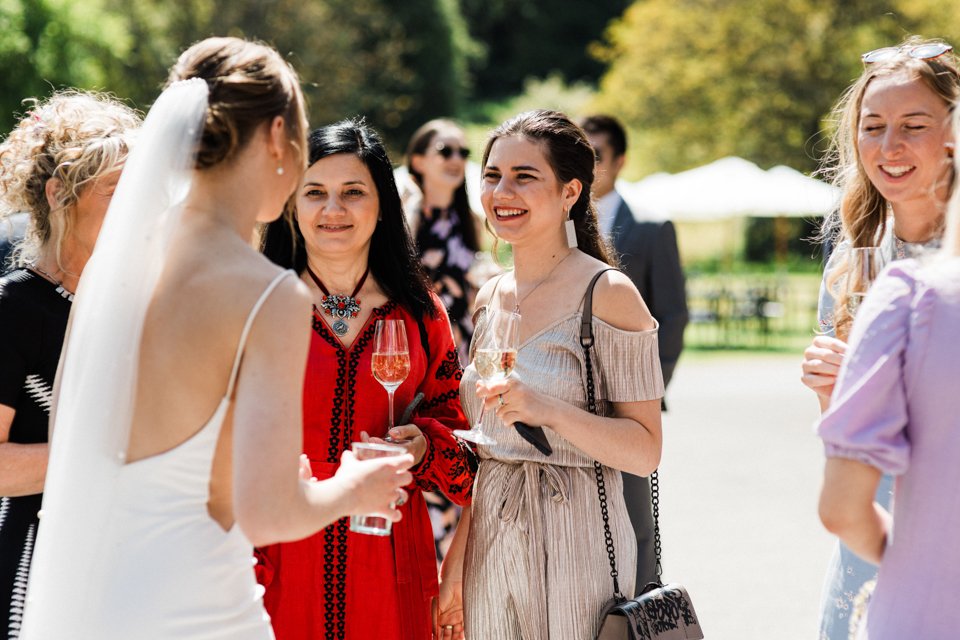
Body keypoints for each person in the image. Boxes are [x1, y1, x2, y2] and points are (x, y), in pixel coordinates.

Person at [19, 37, 413, 640]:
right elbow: (269, 513)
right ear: (278, 135)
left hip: (101, 596)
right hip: (195, 600)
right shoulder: (266, 293)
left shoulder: (119, 267)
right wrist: (353, 489)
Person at [448, 109, 664, 639]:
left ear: (570, 193)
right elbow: (483, 452)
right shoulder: (488, 298)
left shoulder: (608, 294)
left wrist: (547, 410)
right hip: (491, 539)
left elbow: (645, 449)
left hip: (578, 536)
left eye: (526, 177)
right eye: (493, 175)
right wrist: (456, 559)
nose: (504, 191)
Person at [257, 119, 476, 640]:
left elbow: (468, 452)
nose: (333, 210)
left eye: (353, 192)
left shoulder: (421, 314)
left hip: (392, 556)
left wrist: (427, 444)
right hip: (282, 551)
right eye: (315, 192)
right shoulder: (254, 306)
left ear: (382, 204)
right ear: (291, 203)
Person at [800, 37, 958, 639]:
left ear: (954, 134)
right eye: (873, 126)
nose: (888, 148)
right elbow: (847, 442)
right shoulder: (852, 256)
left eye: (911, 125)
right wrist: (831, 390)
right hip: (868, 534)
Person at [0, 90, 139, 638]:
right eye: (115, 191)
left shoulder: (132, 300)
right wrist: (111, 455)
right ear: (60, 195)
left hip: (130, 557)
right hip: (41, 563)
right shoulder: (12, 308)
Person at [581, 113, 688, 588]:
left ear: (620, 161)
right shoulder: (550, 228)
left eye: (597, 156)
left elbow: (672, 316)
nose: (586, 167)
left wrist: (641, 393)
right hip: (564, 410)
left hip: (627, 413)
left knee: (635, 530)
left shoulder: (650, 228)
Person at [403, 119, 482, 564]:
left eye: (462, 153)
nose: (456, 160)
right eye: (445, 151)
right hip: (425, 348)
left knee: (462, 445)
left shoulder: (470, 221)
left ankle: (452, 564)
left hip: (466, 349)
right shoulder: (406, 215)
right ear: (418, 161)